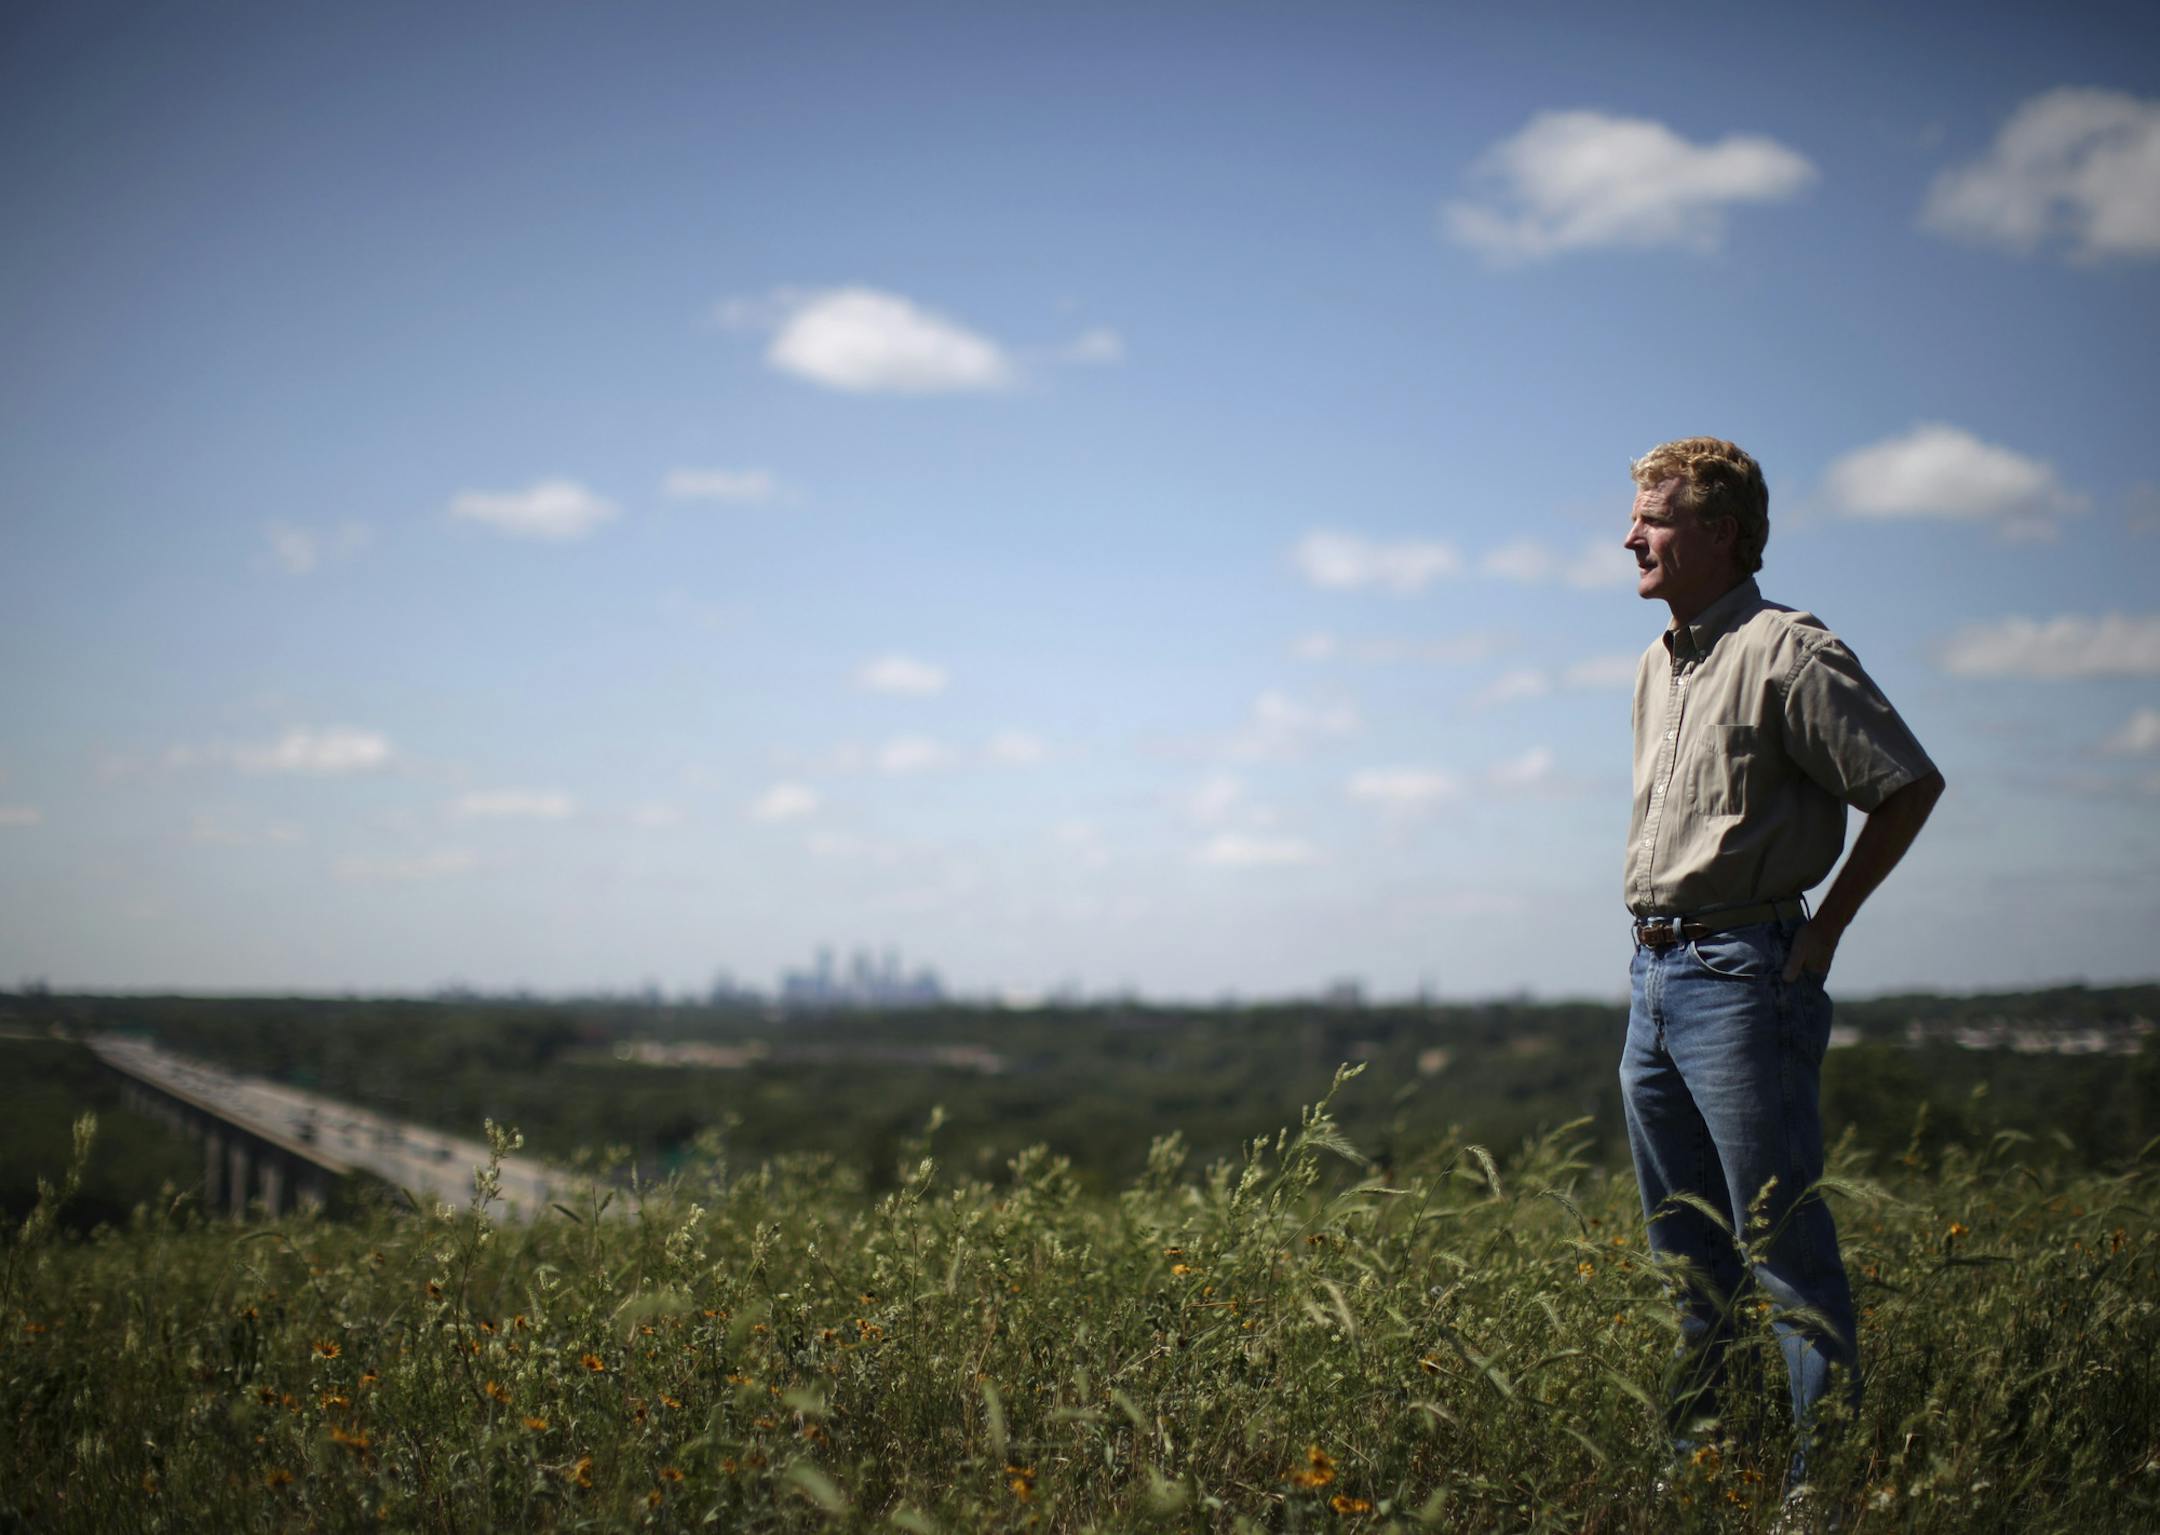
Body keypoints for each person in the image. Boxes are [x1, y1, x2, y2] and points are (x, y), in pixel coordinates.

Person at [1617, 437, 1945, 1497]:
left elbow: (1904, 784)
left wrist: (1825, 931)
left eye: (1656, 518)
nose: (1633, 537)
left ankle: (1825, 1494)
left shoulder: (1786, 648)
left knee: (1784, 1250)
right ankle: (1703, 1469)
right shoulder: (1657, 663)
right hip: (1654, 981)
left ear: (1721, 531)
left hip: (1745, 980)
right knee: (1690, 1258)